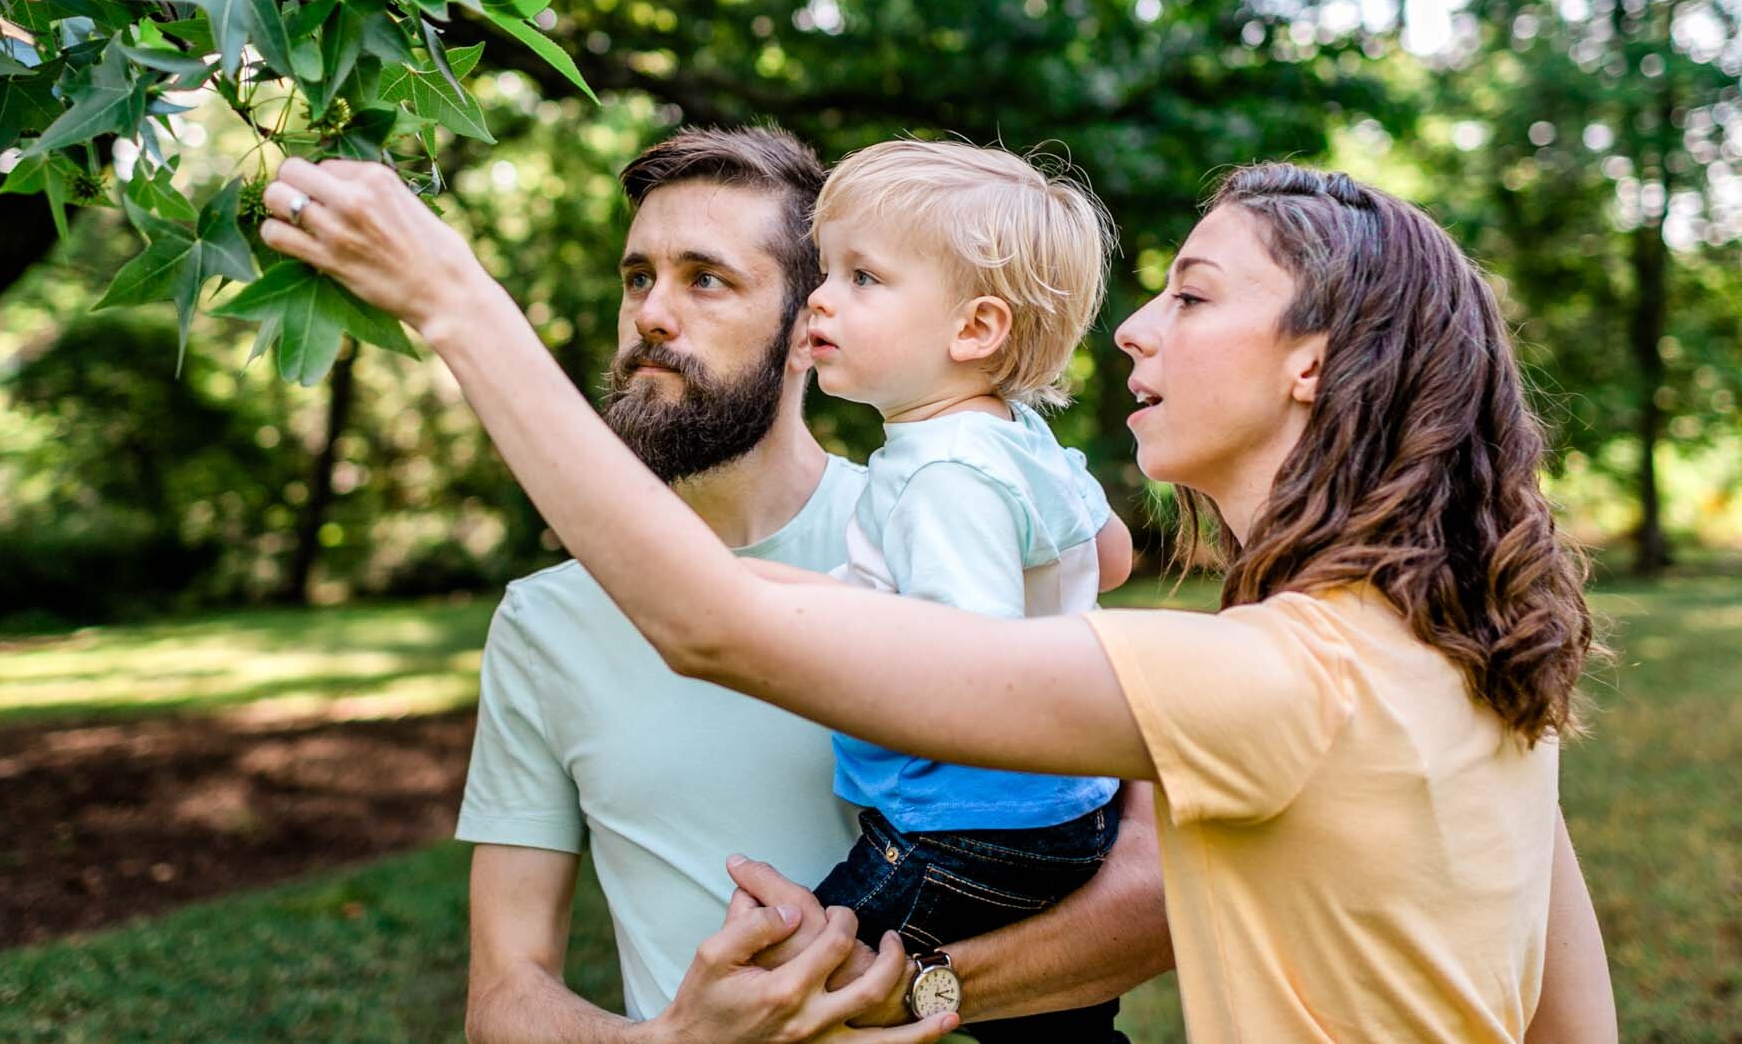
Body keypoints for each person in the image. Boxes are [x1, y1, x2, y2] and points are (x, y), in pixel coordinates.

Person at [261, 152, 1619, 1041]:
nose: (1132, 330)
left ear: (1314, 363)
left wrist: (450, 299)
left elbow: (712, 621)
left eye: (1189, 296)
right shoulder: (1476, 664)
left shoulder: (1276, 677)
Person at [432, 126, 1172, 1042]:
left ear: (803, 328)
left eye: (706, 278)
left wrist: (898, 994)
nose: (652, 315)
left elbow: (1152, 899)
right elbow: (503, 993)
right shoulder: (543, 621)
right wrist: (673, 1042)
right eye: (638, 277)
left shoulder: (945, 516)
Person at [792, 140, 1132, 1041]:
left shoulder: (944, 472)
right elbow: (1116, 552)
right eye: (826, 270)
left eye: (863, 276)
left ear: (974, 330)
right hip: (1068, 810)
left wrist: (824, 625)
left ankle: (918, 992)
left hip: (964, 827)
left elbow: (967, 669)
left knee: (795, 984)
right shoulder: (1017, 438)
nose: (820, 296)